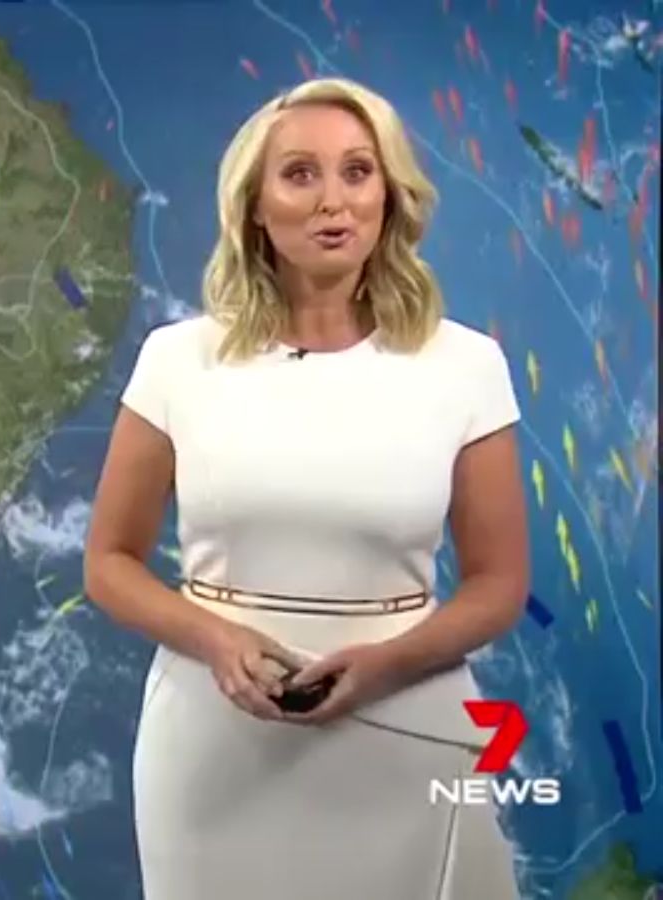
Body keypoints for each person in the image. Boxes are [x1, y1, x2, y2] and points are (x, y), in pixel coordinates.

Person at [84, 77, 529, 900]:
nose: (334, 201)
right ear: (254, 206)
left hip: (405, 730)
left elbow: (499, 584)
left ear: (389, 196)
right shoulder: (178, 361)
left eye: (358, 172)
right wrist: (216, 641)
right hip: (216, 745)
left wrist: (387, 665)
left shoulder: (466, 367)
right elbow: (108, 561)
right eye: (300, 174)